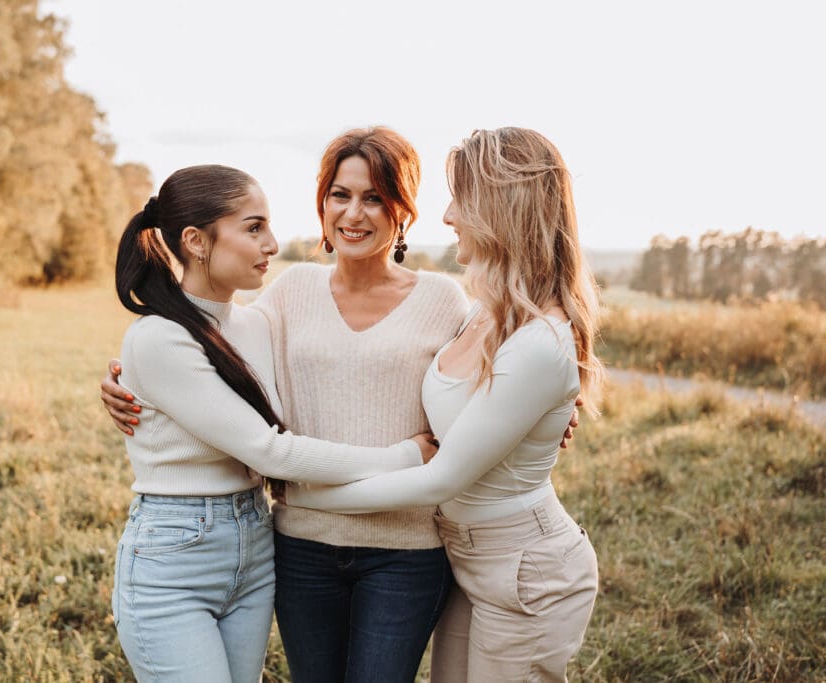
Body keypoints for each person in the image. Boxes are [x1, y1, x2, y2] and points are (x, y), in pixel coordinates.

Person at [102, 129, 580, 682]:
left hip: (406, 550)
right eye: (340, 194)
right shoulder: (287, 293)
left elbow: (494, 384)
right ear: (323, 203)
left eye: (374, 196)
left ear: (403, 209)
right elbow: (209, 340)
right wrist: (123, 378)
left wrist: (550, 420)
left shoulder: (445, 300)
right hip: (300, 547)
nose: (354, 213)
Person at [283, 127, 602, 682]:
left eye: (461, 200)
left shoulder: (536, 338)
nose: (448, 215)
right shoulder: (487, 312)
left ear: (502, 210)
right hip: (467, 556)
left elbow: (440, 478)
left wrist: (310, 493)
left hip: (524, 566)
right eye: (340, 194)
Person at [108, 163, 438, 683]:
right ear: (196, 241)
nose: (272, 243)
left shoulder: (257, 322)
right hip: (176, 551)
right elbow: (268, 450)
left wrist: (543, 403)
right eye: (254, 227)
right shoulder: (155, 338)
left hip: (255, 545)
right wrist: (405, 456)